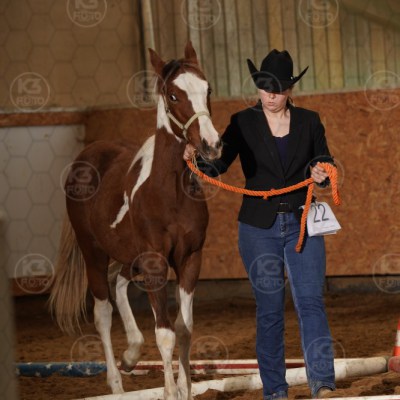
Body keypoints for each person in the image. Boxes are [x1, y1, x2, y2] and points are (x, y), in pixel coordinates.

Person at [184, 49, 336, 399]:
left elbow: (324, 161)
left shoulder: (310, 121)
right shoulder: (242, 122)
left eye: (278, 89)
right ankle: (275, 391)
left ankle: (323, 384)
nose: (270, 95)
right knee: (269, 310)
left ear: (290, 90)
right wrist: (195, 159)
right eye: (265, 87)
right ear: (258, 86)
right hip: (257, 229)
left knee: (310, 302)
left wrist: (322, 172)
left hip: (301, 224)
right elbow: (219, 165)